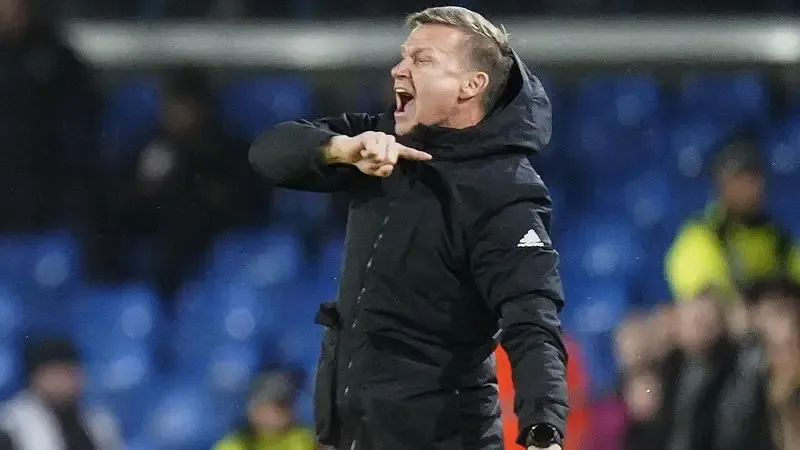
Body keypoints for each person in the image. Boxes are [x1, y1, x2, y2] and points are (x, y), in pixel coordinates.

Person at [248, 6, 567, 450]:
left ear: (471, 85)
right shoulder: (379, 143)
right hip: (352, 436)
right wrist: (339, 149)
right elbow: (266, 153)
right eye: (404, 56)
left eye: (422, 59)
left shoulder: (504, 191)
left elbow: (532, 320)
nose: (399, 69)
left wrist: (542, 430)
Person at [666, 137, 800, 305]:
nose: (752, 189)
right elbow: (700, 289)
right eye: (741, 180)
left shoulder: (778, 237)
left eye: (756, 179)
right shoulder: (701, 234)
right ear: (722, 185)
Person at [0, 338, 122, 450]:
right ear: (36, 377)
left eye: (70, 372)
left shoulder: (98, 423)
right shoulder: (12, 425)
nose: (65, 381)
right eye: (57, 373)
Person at [215, 371, 316, 450]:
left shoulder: (306, 439)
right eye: (277, 405)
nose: (284, 411)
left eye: (288, 403)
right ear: (255, 409)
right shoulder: (235, 444)